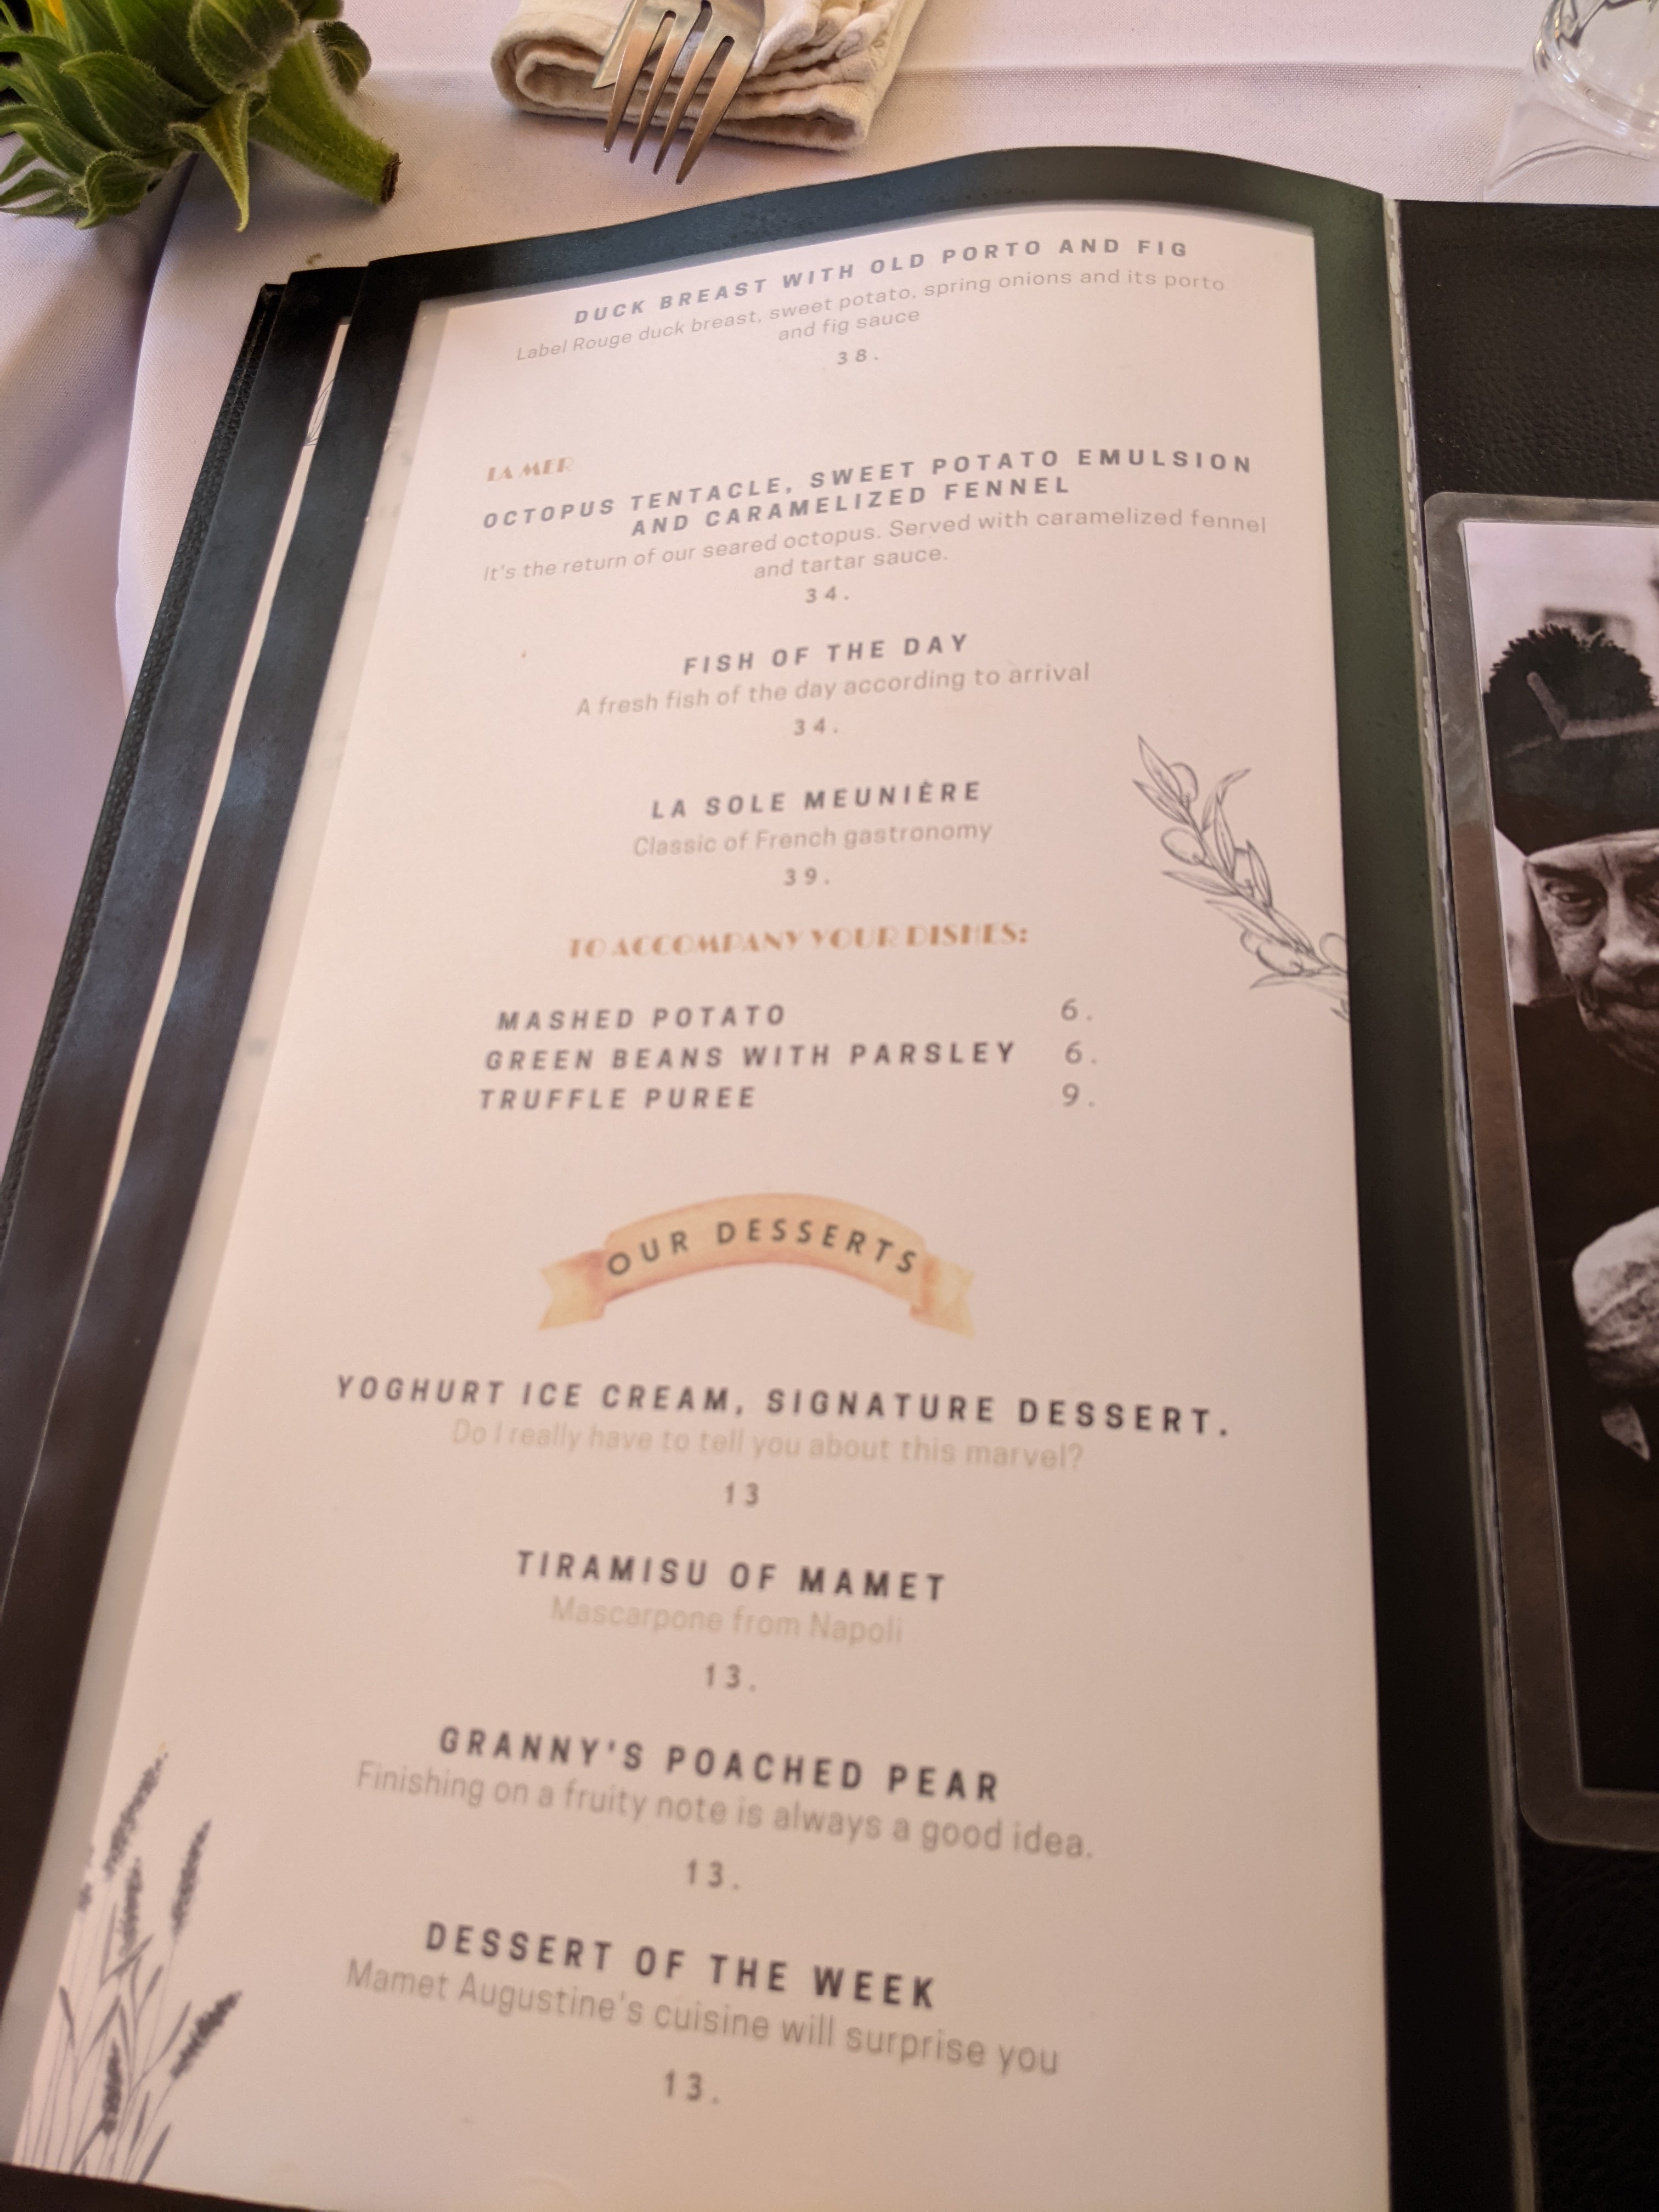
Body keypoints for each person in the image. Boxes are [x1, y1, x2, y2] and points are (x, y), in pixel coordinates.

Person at [1486, 624, 1659, 1788]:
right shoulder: (1487, 1082)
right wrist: (1578, 1321)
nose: (1627, 950)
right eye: (1575, 899)